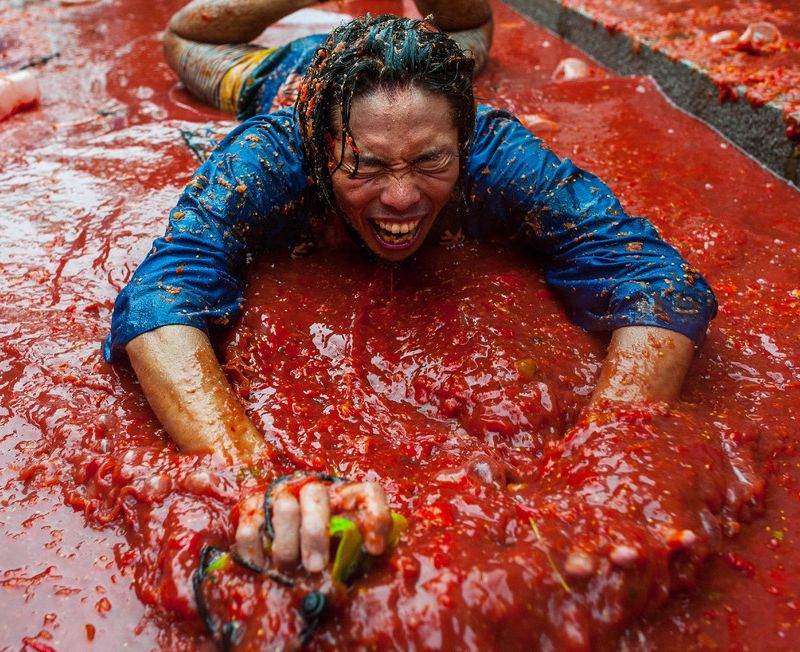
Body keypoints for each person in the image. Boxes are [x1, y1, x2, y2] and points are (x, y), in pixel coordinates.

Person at [105, 2, 717, 578]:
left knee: (473, 35)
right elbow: (161, 298)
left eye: (430, 163)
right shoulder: (267, 157)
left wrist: (603, 460)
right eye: (366, 167)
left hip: (437, 58)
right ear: (320, 155)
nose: (401, 198)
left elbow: (655, 276)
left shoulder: (496, 151)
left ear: (464, 139)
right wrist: (253, 478)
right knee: (183, 40)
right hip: (282, 72)